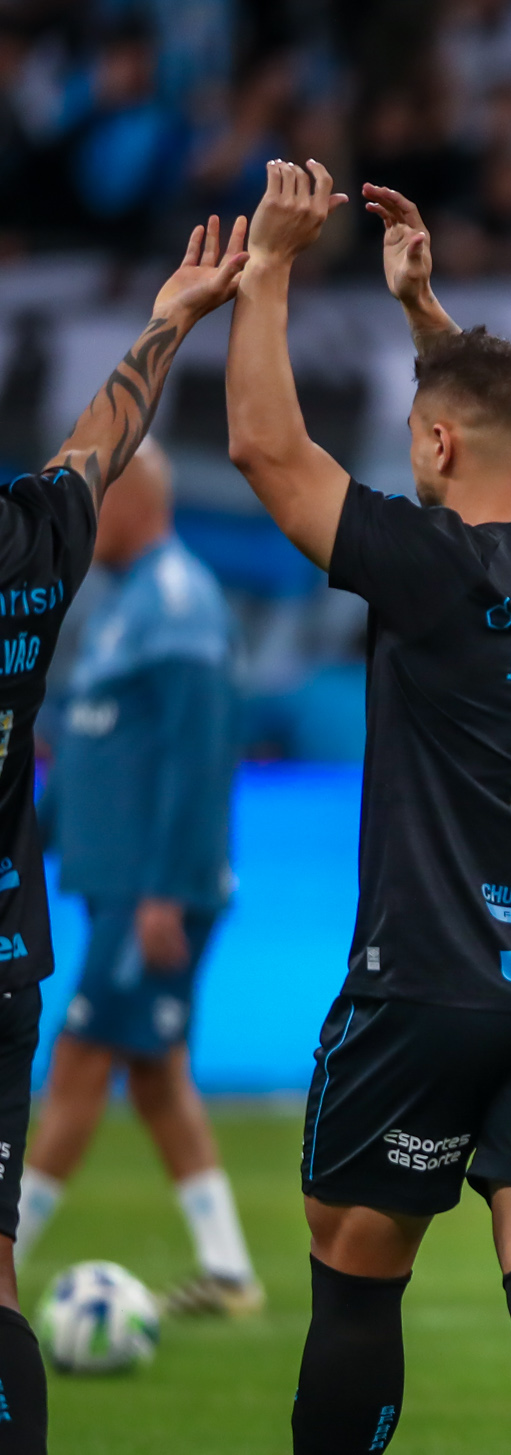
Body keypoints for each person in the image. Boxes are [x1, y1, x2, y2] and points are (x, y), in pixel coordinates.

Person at [177, 160, 511, 1455]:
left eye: (419, 441)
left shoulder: (429, 566)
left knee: (356, 1265)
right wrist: (430, 313)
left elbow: (262, 444)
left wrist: (268, 267)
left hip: (431, 980)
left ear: (436, 446)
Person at [0, 210, 247, 1455]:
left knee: (128, 1071)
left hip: (132, 886)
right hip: (13, 942)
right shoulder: (42, 551)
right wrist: (173, 320)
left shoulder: (181, 607)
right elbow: (103, 428)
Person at [16, 438, 255, 1318]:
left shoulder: (180, 602)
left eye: (89, 500)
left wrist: (167, 887)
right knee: (155, 1073)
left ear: (133, 501)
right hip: (117, 882)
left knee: (78, 1059)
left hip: (156, 893)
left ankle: (9, 1251)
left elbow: (199, 760)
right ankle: (228, 1270)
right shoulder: (117, 600)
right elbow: (90, 747)